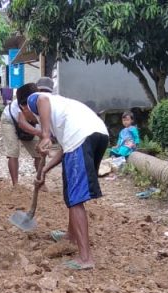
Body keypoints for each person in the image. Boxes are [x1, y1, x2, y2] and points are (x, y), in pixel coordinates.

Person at [17, 82, 109, 270]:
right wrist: (44, 169)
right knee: (72, 191)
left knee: (75, 198)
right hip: (98, 134)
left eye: (25, 114)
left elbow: (41, 99)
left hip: (81, 137)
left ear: (24, 107)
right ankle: (71, 236)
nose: (30, 119)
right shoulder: (60, 110)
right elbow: (66, 148)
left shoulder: (35, 100)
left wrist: (44, 135)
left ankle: (85, 258)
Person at [1, 89, 61, 186]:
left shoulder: (48, 105)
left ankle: (41, 182)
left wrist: (45, 141)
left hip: (30, 125)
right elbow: (22, 123)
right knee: (13, 152)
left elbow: (46, 130)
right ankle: (15, 185)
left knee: (38, 154)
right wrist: (41, 134)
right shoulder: (25, 103)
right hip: (10, 121)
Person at [107, 111, 140, 177]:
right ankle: (115, 160)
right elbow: (120, 139)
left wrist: (136, 144)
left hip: (129, 145)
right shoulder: (122, 131)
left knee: (123, 150)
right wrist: (117, 145)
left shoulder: (133, 129)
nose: (125, 122)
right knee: (112, 150)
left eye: (127, 120)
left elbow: (136, 137)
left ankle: (119, 162)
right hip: (122, 145)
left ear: (132, 120)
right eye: (124, 120)